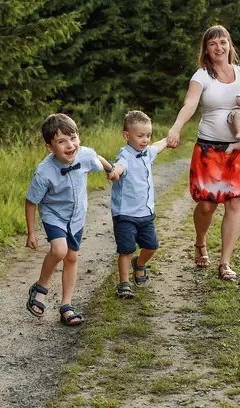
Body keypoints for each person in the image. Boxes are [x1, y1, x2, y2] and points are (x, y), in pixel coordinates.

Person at [166, 25, 240, 281]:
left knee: (235, 203)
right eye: (213, 44)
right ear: (206, 49)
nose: (219, 48)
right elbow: (189, 104)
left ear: (230, 45)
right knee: (207, 205)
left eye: (223, 42)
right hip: (210, 147)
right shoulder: (201, 76)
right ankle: (200, 241)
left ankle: (225, 263)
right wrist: (176, 128)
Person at [24, 113, 115, 326]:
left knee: (72, 258)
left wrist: (110, 168)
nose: (69, 145)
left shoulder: (84, 155)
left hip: (76, 216)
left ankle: (66, 305)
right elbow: (30, 202)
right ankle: (40, 288)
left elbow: (97, 159)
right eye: (61, 141)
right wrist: (31, 232)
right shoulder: (44, 172)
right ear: (50, 147)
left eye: (73, 138)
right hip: (54, 216)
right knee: (59, 251)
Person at [106, 110, 169, 299]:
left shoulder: (146, 152)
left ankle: (139, 264)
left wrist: (168, 139)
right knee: (126, 249)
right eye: (140, 136)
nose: (145, 140)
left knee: (151, 246)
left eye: (148, 135)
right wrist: (115, 172)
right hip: (125, 213)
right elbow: (120, 166)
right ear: (127, 135)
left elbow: (157, 147)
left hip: (145, 212)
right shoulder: (125, 155)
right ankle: (124, 283)